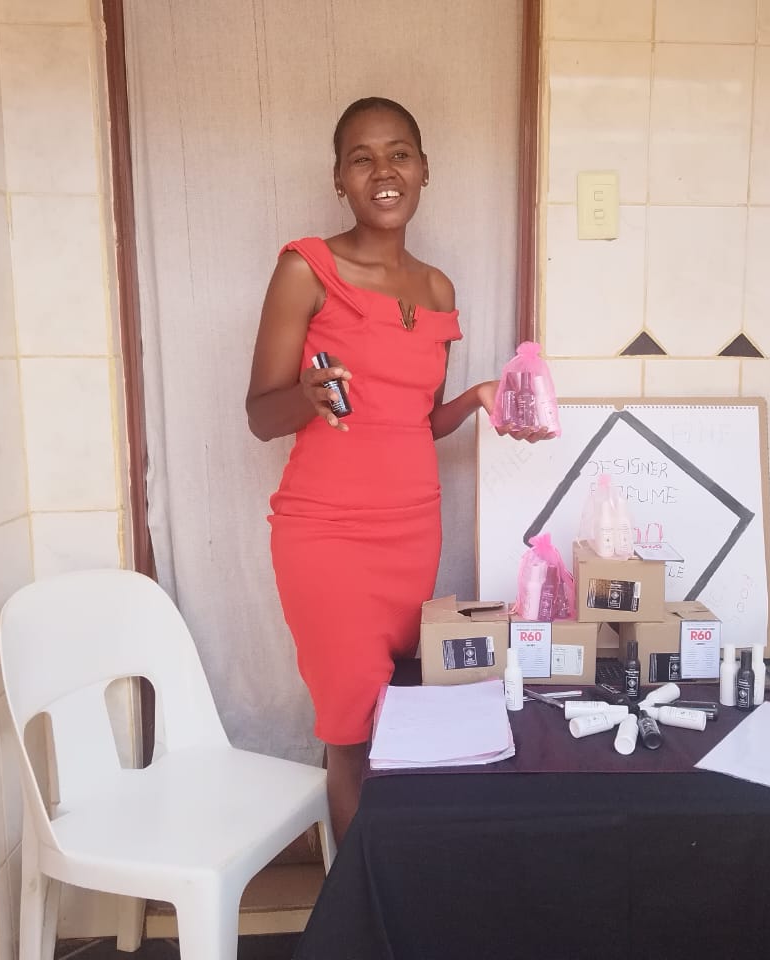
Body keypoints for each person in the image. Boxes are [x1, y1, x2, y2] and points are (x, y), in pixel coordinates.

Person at [245, 96, 546, 842]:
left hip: (412, 534)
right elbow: (258, 414)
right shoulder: (305, 268)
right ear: (340, 179)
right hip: (327, 537)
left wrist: (478, 399)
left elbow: (417, 423)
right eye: (361, 157)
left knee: (397, 716)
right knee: (349, 734)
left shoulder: (438, 291)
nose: (383, 171)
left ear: (424, 169)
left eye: (398, 153)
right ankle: (359, 921)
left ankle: (391, 894)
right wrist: (309, 398)